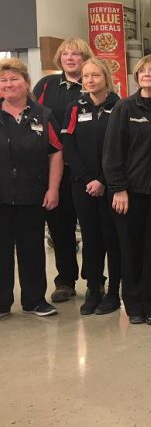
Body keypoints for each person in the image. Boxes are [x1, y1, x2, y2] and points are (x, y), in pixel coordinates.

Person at [103, 55, 151, 326]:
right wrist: (118, 188)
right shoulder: (124, 108)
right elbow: (112, 153)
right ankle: (134, 304)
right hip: (131, 192)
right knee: (131, 248)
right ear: (136, 77)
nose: (147, 74)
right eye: (142, 71)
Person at [33, 37, 94, 303]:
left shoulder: (93, 83)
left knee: (93, 228)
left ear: (85, 58)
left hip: (87, 170)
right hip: (56, 169)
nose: (70, 58)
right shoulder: (45, 86)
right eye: (66, 54)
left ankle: (95, 281)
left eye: (76, 54)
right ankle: (65, 281)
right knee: (60, 227)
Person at [0, 58, 62, 318]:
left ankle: (35, 300)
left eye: (14, 79)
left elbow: (56, 153)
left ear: (26, 83)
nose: (8, 84)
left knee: (32, 249)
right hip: (1, 196)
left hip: (32, 194)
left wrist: (53, 189)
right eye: (3, 81)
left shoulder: (43, 115)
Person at [62, 58, 122, 315]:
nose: (89, 80)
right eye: (86, 76)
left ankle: (114, 292)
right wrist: (88, 179)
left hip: (112, 186)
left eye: (95, 75)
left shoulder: (119, 106)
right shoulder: (75, 107)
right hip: (83, 186)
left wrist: (103, 180)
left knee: (113, 238)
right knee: (91, 238)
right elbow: (69, 147)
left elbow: (122, 148)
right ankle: (94, 286)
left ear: (105, 77)